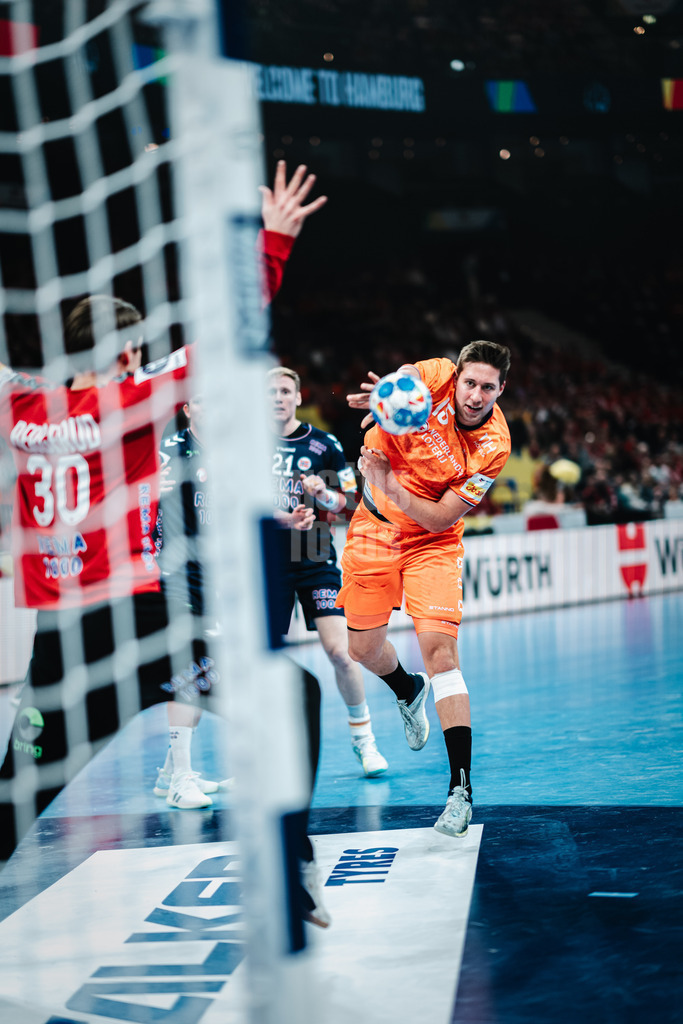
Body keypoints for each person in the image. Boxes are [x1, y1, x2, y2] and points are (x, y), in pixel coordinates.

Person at [0, 162, 327, 855]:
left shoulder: (18, 405)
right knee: (293, 697)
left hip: (63, 645)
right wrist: (272, 242)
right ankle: (291, 865)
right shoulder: (130, 398)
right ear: (128, 353)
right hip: (146, 625)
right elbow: (230, 334)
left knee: (10, 806)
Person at [338, 340, 512, 838]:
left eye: (488, 387)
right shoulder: (433, 376)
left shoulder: (493, 446)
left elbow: (439, 517)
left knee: (442, 655)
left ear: (502, 390)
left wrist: (388, 482)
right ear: (455, 377)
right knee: (361, 648)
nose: (477, 395)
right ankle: (405, 688)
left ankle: (460, 789)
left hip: (431, 544)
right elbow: (404, 381)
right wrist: (385, 400)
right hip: (372, 530)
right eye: (471, 382)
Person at [267, 366, 389, 778]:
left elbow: (352, 505)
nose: (278, 398)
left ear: (298, 397)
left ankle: (365, 742)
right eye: (271, 392)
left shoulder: (322, 445)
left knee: (341, 652)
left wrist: (323, 494)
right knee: (264, 663)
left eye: (286, 390)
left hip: (315, 557)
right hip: (266, 565)